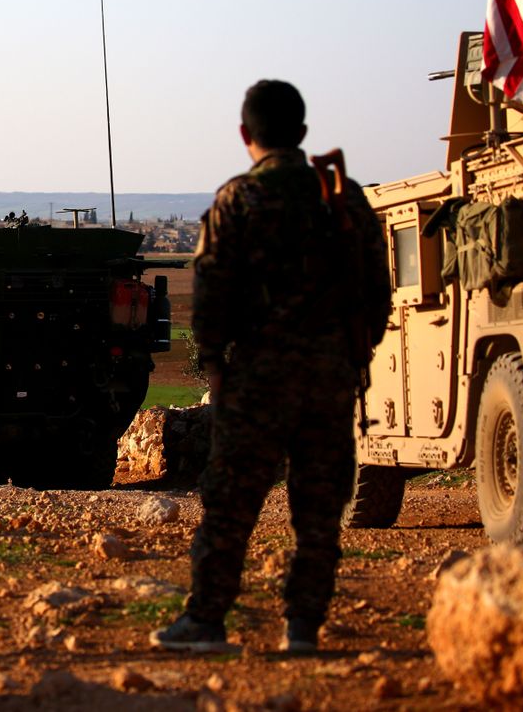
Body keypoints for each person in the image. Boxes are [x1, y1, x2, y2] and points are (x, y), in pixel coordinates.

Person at [151, 80, 391, 654]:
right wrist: (351, 356)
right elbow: (378, 293)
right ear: (302, 135)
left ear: (245, 135)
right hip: (330, 379)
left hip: (257, 381)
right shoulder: (343, 197)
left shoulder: (238, 200)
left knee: (231, 501)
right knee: (319, 507)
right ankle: (302, 627)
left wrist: (214, 366)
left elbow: (208, 299)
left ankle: (207, 620)